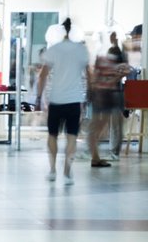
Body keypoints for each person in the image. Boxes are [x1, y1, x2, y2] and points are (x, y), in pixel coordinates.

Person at [36, 18, 94, 182]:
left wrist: (39, 97)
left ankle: (53, 170)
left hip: (56, 99)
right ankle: (67, 172)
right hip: (74, 100)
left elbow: (42, 75)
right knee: (71, 136)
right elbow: (89, 74)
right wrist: (90, 92)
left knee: (52, 135)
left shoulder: (54, 49)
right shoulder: (81, 50)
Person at [92, 32, 129, 161]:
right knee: (113, 124)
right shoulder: (115, 65)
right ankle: (113, 151)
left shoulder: (114, 63)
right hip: (112, 93)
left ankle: (112, 150)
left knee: (112, 124)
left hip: (112, 94)